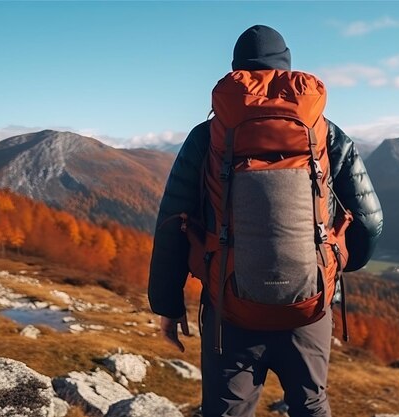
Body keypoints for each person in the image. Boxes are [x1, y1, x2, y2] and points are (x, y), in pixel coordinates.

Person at [148, 25, 382, 417]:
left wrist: (168, 306)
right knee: (310, 404)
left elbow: (172, 222)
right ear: (287, 66)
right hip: (309, 305)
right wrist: (339, 263)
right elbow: (371, 221)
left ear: (237, 70)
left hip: (230, 305)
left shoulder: (207, 137)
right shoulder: (325, 134)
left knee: (226, 410)